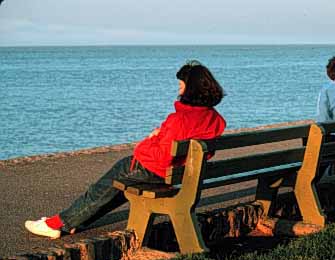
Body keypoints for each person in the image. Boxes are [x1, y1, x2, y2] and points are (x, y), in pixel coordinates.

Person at [25, 60, 227, 239]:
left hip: (157, 172)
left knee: (104, 186)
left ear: (191, 89)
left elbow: (162, 157)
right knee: (114, 188)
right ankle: (72, 221)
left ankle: (56, 224)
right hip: (183, 175)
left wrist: (146, 144)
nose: (179, 90)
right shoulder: (215, 119)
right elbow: (199, 148)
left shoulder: (178, 120)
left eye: (181, 86)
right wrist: (162, 133)